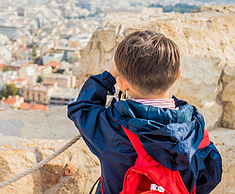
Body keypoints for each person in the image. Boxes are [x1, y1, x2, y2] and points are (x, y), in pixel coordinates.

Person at [67, 30, 222, 193]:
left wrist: (110, 76)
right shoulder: (195, 130)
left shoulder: (112, 127)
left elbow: (82, 108)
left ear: (122, 84)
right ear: (177, 75)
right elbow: (212, 175)